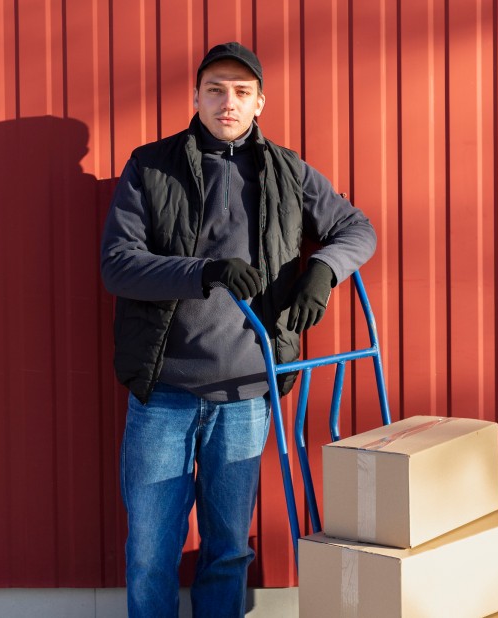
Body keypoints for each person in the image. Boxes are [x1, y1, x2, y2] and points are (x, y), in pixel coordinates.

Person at [100, 41, 376, 617]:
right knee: (151, 551)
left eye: (242, 92)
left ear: (260, 103)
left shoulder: (286, 169)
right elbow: (117, 264)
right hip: (164, 393)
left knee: (227, 550)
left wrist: (323, 272)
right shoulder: (150, 166)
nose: (229, 102)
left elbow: (357, 229)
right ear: (196, 97)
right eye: (216, 90)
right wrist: (204, 272)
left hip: (248, 392)